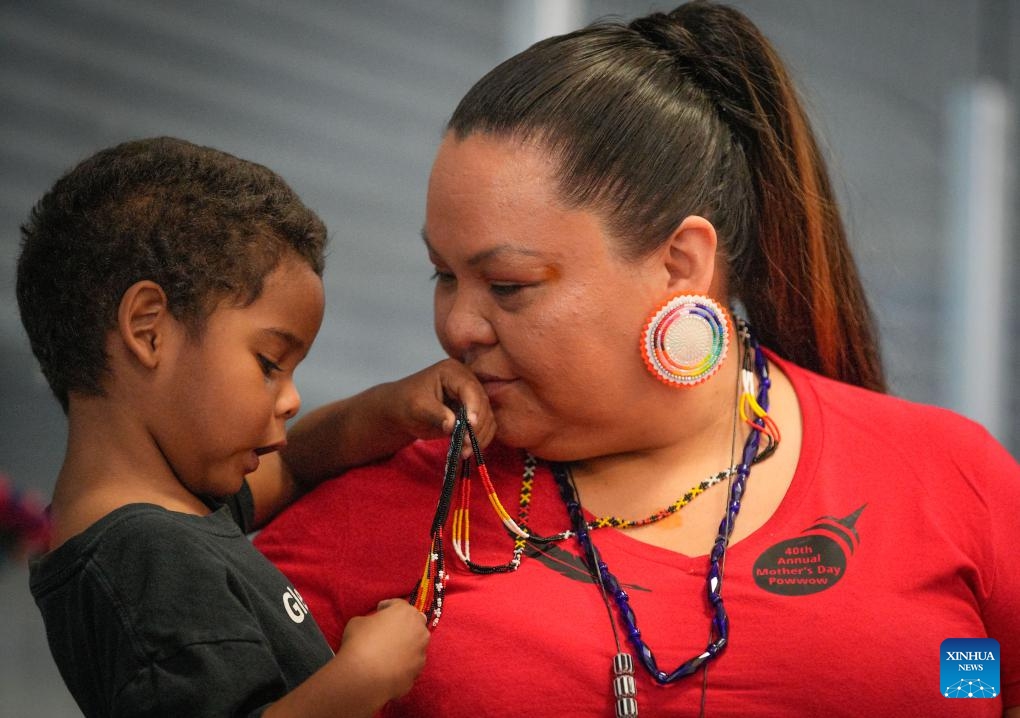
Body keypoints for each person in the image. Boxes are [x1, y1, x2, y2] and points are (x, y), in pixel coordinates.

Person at [254, 2, 1020, 716]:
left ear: (681, 266)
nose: (458, 325)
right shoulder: (391, 510)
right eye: (443, 274)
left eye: (510, 285)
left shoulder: (950, 480)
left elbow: (987, 682)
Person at [16, 136, 495, 718]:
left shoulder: (172, 509)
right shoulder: (146, 557)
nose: (291, 399)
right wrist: (362, 680)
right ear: (148, 330)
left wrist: (392, 408)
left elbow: (292, 464)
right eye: (269, 363)